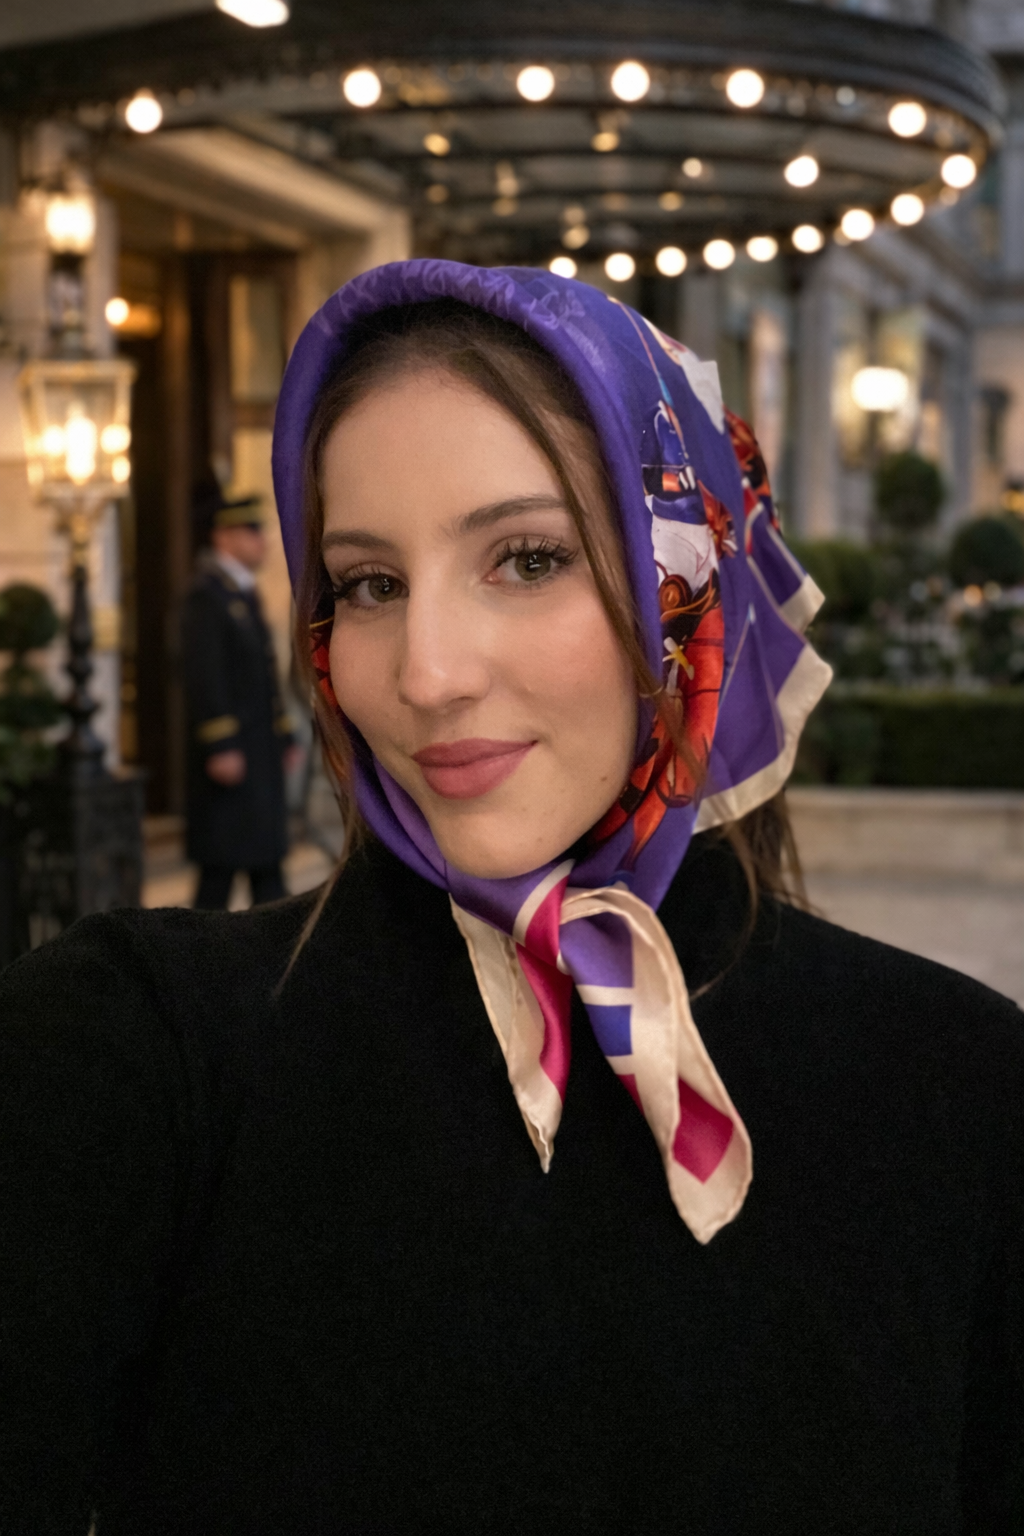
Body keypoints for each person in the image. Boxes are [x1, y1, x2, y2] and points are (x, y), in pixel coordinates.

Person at [1, 262, 1020, 1535]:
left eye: (527, 558)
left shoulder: (959, 1088)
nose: (424, 674)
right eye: (366, 583)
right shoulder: (134, 1053)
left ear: (682, 587)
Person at [180, 487, 297, 909]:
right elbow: (205, 676)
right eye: (250, 531)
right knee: (222, 868)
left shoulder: (240, 593)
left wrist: (283, 736)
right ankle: (193, 961)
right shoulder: (207, 597)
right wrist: (221, 743)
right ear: (222, 538)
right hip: (234, 755)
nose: (260, 539)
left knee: (264, 862)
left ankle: (281, 957)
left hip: (258, 749)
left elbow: (263, 676)